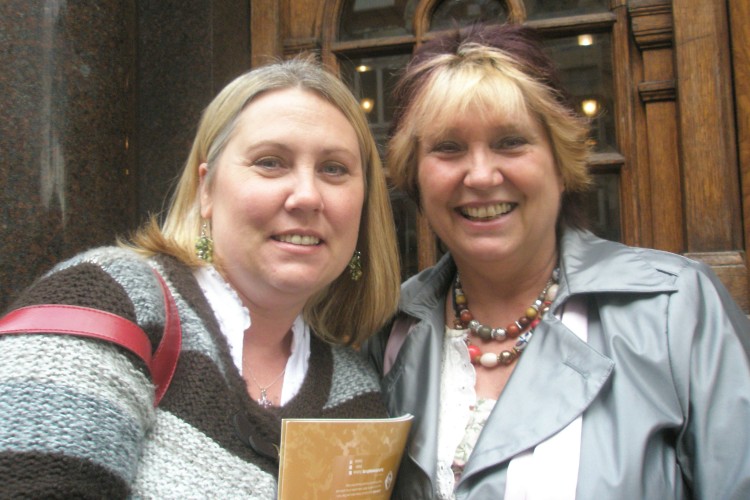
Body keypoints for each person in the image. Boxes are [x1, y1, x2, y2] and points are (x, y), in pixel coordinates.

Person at [362, 23, 750, 499]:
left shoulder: (674, 311)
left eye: (510, 141)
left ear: (560, 162)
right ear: (415, 174)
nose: (481, 175)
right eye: (448, 147)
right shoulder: (389, 329)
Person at [0, 57, 401, 498]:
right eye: (271, 162)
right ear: (207, 189)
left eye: (334, 169)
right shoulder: (110, 297)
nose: (307, 196)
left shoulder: (355, 387)